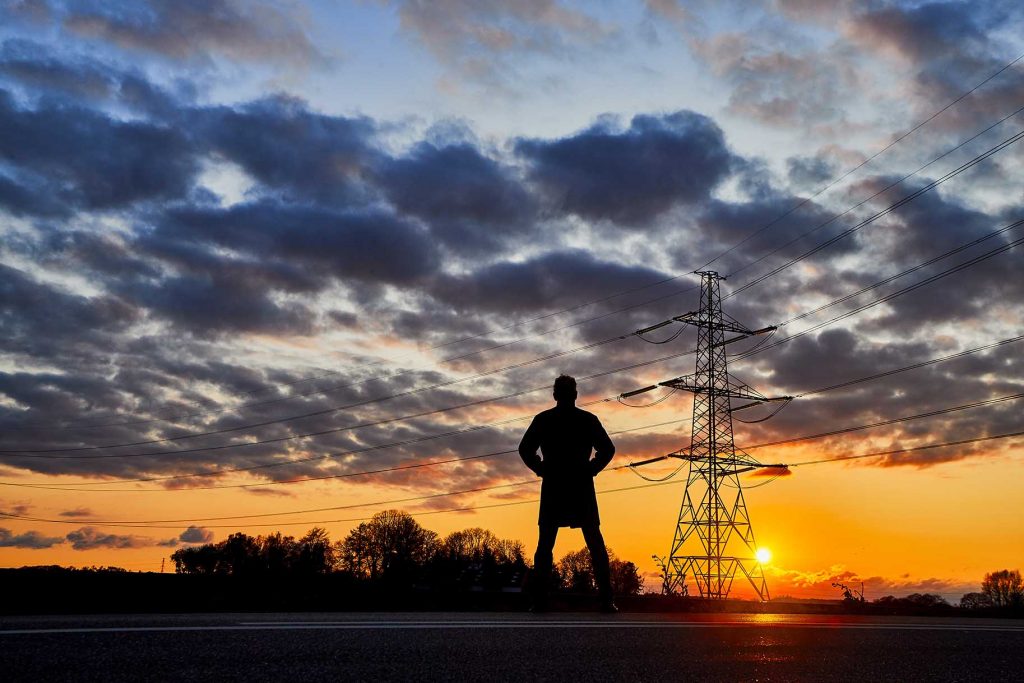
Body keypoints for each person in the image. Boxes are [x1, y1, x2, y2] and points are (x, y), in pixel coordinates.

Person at [518, 374, 617, 613]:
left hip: (555, 484)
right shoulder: (587, 420)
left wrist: (541, 468)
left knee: (546, 544)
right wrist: (591, 469)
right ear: (574, 394)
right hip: (579, 484)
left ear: (555, 395)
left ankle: (539, 601)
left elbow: (524, 449)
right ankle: (605, 600)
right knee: (594, 542)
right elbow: (608, 449)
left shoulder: (544, 420)